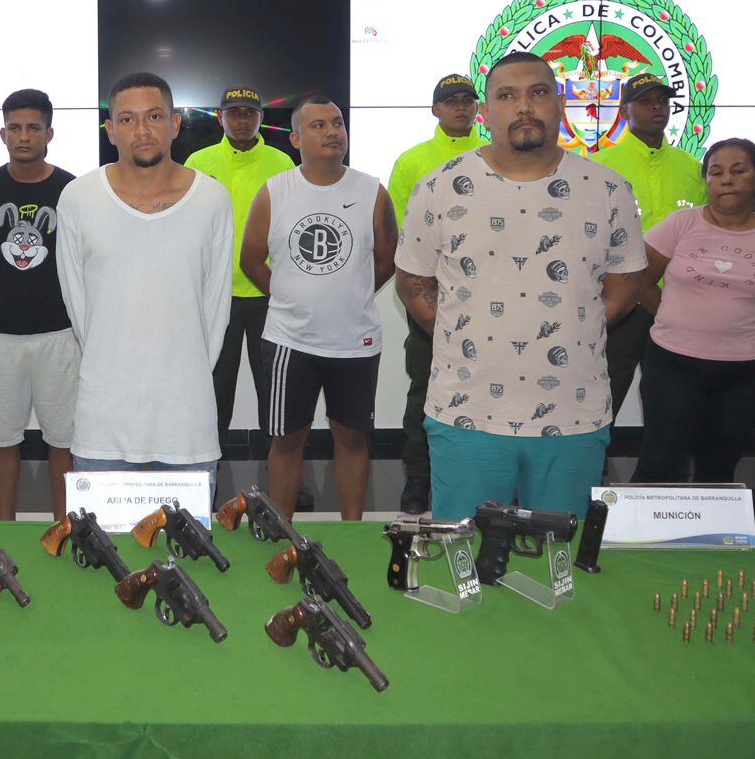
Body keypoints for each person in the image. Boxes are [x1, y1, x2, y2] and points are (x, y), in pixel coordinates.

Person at [395, 51, 646, 521]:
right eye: (507, 96)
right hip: (466, 411)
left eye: (539, 93)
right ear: (486, 113)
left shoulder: (609, 189)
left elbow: (627, 281)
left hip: (573, 414)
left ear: (561, 104)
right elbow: (413, 281)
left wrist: (572, 324)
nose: (524, 107)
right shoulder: (440, 187)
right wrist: (463, 331)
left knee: (558, 566)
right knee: (463, 563)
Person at [57, 71, 232, 496]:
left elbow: (215, 308)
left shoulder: (211, 199)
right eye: (128, 119)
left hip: (186, 425)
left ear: (174, 125)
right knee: (104, 557)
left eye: (154, 116)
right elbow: (79, 306)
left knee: (190, 559)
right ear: (111, 130)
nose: (142, 130)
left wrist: (181, 375)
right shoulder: (78, 199)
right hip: (103, 421)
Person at [239, 97, 397, 520]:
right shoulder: (276, 191)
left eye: (337, 123)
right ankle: (281, 530)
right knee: (288, 440)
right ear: (295, 139)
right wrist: (290, 295)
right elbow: (251, 259)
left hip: (355, 342)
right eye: (318, 125)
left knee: (352, 439)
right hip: (291, 341)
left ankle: (352, 530)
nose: (332, 132)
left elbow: (385, 260)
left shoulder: (372, 191)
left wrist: (353, 292)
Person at [632, 139, 755, 483]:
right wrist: (676, 317)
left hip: (746, 373)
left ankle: (709, 536)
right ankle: (644, 536)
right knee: (660, 461)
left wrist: (737, 326)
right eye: (716, 172)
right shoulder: (680, 224)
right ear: (707, 181)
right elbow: (641, 281)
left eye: (738, 171)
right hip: (673, 365)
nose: (726, 179)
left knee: (719, 467)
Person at [0, 89, 78, 521]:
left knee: (63, 438)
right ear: (2, 133)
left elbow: (88, 259)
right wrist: (6, 276)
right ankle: (5, 527)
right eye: (15, 128)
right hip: (2, 335)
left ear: (49, 133)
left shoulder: (73, 190)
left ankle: (65, 527)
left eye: (33, 128)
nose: (23, 136)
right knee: (3, 438)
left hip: (61, 334)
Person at [183, 86, 300, 503]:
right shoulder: (199, 163)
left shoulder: (281, 162)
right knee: (215, 392)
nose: (242, 120)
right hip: (215, 298)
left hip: (271, 295)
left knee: (277, 391)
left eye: (249, 113)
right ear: (220, 117)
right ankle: (206, 479)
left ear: (259, 117)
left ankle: (285, 480)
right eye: (234, 113)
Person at [592, 73, 708, 469]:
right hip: (622, 300)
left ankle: (659, 482)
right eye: (646, 101)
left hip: (678, 303)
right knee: (604, 392)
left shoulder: (691, 167)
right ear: (625, 110)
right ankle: (594, 472)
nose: (658, 107)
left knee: (672, 401)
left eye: (663, 100)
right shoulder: (601, 166)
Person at [388, 74, 490, 514]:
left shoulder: (495, 155)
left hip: (491, 297)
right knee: (424, 388)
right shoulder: (412, 161)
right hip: (432, 296)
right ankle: (418, 480)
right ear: (435, 110)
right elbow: (397, 233)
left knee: (490, 390)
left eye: (468, 100)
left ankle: (484, 482)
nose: (461, 108)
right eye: (451, 102)